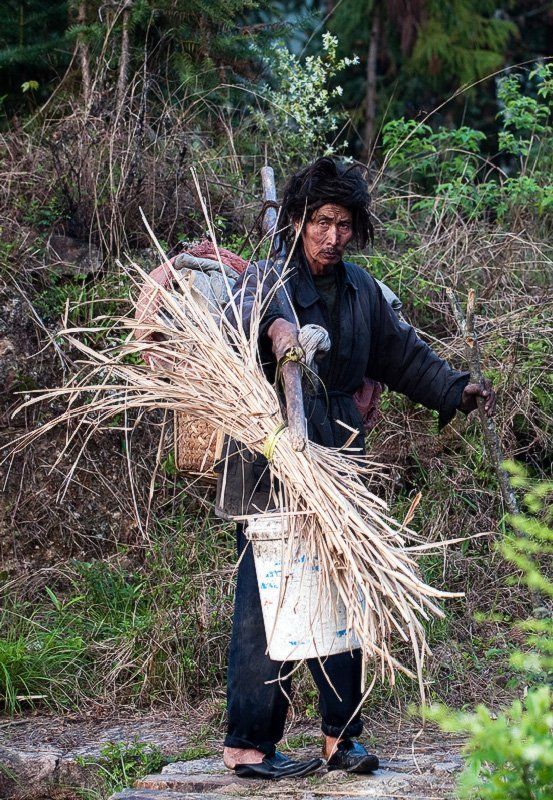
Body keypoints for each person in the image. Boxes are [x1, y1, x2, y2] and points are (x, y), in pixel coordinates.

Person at [216, 157, 496, 780]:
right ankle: (248, 745)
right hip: (269, 450)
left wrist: (455, 389)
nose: (332, 236)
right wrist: (275, 327)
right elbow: (232, 326)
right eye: (321, 221)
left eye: (344, 224)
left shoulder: (362, 291)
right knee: (268, 598)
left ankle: (340, 738)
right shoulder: (265, 281)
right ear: (297, 221)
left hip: (338, 449)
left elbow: (401, 354)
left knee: (346, 588)